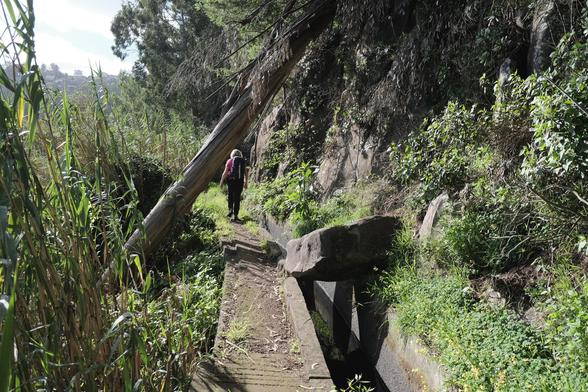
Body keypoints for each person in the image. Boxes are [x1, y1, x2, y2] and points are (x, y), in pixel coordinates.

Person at [220, 149, 248, 222]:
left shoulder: (229, 161)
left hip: (231, 181)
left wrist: (222, 181)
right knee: (237, 198)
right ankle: (235, 215)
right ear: (240, 154)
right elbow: (245, 173)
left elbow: (225, 172)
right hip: (240, 181)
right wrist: (246, 182)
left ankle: (230, 212)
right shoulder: (242, 161)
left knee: (230, 196)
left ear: (232, 154)